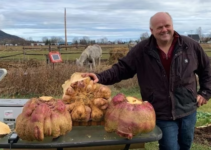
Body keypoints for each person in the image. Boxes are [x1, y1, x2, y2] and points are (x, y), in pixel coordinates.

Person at [82, 12, 211, 150]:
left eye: (167, 26)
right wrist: (100, 77)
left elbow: (207, 69)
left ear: (172, 25)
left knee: (186, 145)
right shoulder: (142, 50)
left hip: (188, 109)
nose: (164, 30)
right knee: (170, 147)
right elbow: (121, 68)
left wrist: (205, 92)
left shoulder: (190, 46)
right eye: (159, 27)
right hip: (161, 111)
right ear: (152, 30)